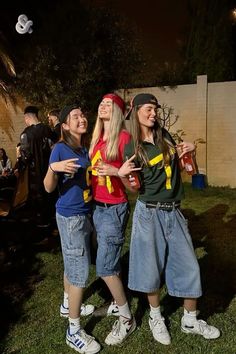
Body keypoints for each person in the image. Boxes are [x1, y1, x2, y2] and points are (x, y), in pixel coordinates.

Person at [120, 93, 220, 345]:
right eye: (148, 109)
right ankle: (156, 317)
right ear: (135, 112)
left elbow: (188, 171)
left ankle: (190, 319)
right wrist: (122, 175)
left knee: (189, 265)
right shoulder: (132, 146)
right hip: (149, 212)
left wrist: (191, 153)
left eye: (156, 108)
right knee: (150, 267)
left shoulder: (165, 136)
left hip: (174, 210)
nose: (154, 113)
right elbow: (134, 188)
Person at [43, 104, 101, 354]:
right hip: (71, 217)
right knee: (79, 272)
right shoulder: (60, 148)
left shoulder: (83, 148)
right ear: (65, 125)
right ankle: (73, 330)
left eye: (82, 114)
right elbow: (47, 187)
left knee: (72, 263)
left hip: (84, 213)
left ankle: (67, 304)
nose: (82, 118)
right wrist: (53, 169)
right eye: (75, 116)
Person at [89, 93, 137, 346]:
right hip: (97, 207)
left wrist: (117, 172)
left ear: (117, 111)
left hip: (114, 208)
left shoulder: (125, 139)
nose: (102, 105)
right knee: (109, 262)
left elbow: (134, 187)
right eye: (101, 102)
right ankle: (117, 304)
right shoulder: (96, 139)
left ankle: (127, 318)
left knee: (106, 267)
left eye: (108, 104)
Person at [19, 105, 54, 227]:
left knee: (37, 198)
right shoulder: (48, 130)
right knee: (50, 196)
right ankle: (50, 221)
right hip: (51, 171)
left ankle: (41, 223)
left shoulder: (26, 134)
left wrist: (20, 163)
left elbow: (25, 157)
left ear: (27, 117)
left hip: (35, 175)